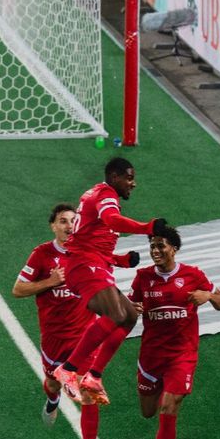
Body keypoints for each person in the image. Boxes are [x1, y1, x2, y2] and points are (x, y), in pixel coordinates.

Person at [12, 204, 132, 439]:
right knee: (53, 384)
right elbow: (17, 289)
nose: (69, 226)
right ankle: (52, 400)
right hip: (54, 339)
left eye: (73, 221)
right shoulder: (42, 255)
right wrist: (50, 282)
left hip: (85, 338)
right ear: (53, 226)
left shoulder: (90, 252)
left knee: (89, 392)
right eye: (63, 221)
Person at [52, 157, 166, 406]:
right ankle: (68, 369)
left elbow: (93, 238)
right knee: (115, 313)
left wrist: (122, 260)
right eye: (129, 177)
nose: (133, 183)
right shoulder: (106, 194)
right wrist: (149, 228)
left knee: (128, 316)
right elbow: (112, 221)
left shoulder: (100, 195)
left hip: (94, 264)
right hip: (84, 266)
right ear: (115, 177)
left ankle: (93, 375)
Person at [130, 227, 220, 439]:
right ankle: (161, 390)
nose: (155, 251)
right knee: (148, 412)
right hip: (151, 358)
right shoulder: (143, 278)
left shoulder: (193, 275)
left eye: (161, 245)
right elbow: (128, 310)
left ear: (174, 248)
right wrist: (130, 309)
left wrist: (207, 296)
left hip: (181, 356)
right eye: (152, 246)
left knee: (168, 406)